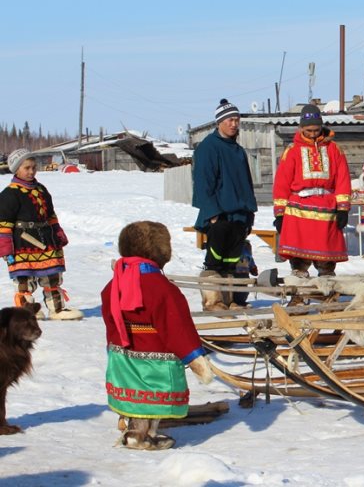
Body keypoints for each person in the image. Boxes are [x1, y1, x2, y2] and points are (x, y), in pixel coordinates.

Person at [101, 221, 214, 450]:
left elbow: (110, 319)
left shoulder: (115, 283)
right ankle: (144, 435)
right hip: (155, 358)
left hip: (124, 355)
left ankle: (134, 430)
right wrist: (194, 357)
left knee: (134, 395)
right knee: (152, 395)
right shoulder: (162, 289)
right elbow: (176, 326)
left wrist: (113, 347)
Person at [0, 148, 83, 320]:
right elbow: (4, 224)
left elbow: (51, 215)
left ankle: (57, 310)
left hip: (47, 240)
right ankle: (27, 311)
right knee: (25, 280)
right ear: (16, 169)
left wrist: (58, 232)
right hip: (23, 243)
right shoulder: (9, 194)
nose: (31, 171)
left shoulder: (42, 189)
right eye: (26, 168)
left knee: (52, 276)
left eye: (33, 167)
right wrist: (5, 248)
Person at [192, 99, 258, 311]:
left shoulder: (238, 151)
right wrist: (213, 214)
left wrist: (249, 213)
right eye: (230, 120)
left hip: (239, 215)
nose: (234, 124)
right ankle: (213, 301)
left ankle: (232, 301)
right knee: (215, 260)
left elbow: (246, 183)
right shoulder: (208, 148)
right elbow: (203, 182)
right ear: (220, 122)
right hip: (219, 215)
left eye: (237, 120)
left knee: (233, 260)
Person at [273, 104, 351, 278]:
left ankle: (327, 296)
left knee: (326, 259)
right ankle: (299, 295)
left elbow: (343, 180)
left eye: (316, 130)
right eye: (308, 130)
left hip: (326, 209)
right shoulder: (292, 151)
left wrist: (343, 209)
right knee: (299, 259)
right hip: (298, 211)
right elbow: (282, 183)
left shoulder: (334, 149)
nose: (312, 134)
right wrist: (279, 214)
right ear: (301, 128)